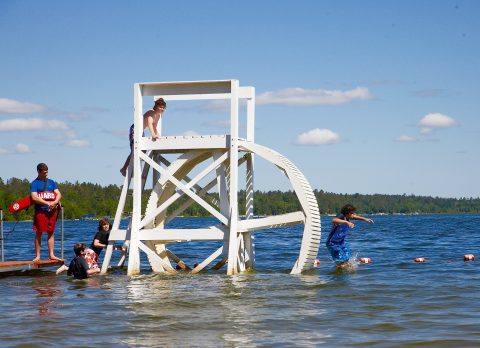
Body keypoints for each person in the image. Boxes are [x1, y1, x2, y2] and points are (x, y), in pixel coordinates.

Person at [56, 218, 122, 275]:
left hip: (94, 255)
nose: (106, 226)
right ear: (101, 226)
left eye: (107, 224)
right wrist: (105, 246)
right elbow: (95, 243)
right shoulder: (100, 233)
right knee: (88, 269)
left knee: (91, 270)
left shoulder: (106, 234)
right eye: (104, 225)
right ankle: (66, 268)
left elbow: (109, 247)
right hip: (91, 253)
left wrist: (119, 248)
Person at [120, 97, 167, 176]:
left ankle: (135, 169)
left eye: (163, 107)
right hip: (135, 129)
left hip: (141, 131)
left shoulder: (158, 116)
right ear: (156, 106)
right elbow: (150, 125)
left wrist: (159, 136)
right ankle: (124, 168)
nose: (162, 109)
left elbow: (154, 127)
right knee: (134, 150)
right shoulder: (151, 112)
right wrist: (153, 135)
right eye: (160, 107)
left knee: (143, 151)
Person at [30, 162, 62, 261]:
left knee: (51, 232)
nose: (46, 174)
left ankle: (51, 254)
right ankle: (38, 255)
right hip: (40, 211)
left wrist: (55, 202)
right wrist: (47, 203)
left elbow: (58, 194)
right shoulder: (34, 183)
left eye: (47, 172)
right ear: (38, 172)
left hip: (52, 211)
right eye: (44, 173)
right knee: (39, 232)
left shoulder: (51, 182)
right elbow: (34, 197)